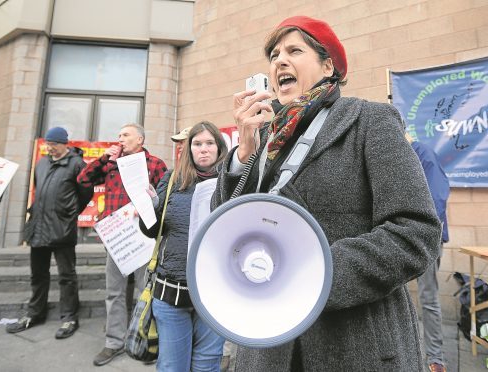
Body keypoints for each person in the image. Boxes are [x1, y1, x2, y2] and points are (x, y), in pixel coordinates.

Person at [211, 15, 442, 371]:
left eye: (294, 50)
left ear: (328, 65)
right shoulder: (265, 140)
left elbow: (416, 232)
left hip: (355, 346)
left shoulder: (369, 121)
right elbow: (222, 230)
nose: (279, 61)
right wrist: (243, 154)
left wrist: (312, 274)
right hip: (269, 350)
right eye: (273, 55)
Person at [76, 123, 167, 366]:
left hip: (143, 239)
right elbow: (83, 179)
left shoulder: (155, 164)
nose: (120, 139)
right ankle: (114, 343)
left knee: (144, 292)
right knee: (113, 292)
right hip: (116, 239)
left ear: (140, 139)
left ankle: (145, 340)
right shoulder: (111, 163)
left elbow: (165, 199)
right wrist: (104, 158)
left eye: (125, 135)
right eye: (118, 135)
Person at [140, 121, 228, 371]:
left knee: (207, 366)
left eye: (209, 143)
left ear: (219, 147)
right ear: (188, 149)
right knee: (172, 367)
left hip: (215, 292)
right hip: (171, 292)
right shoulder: (172, 180)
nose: (203, 149)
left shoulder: (232, 182)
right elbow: (151, 231)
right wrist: (150, 207)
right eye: (197, 144)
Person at [6, 127, 92, 339]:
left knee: (67, 276)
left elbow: (85, 194)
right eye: (48, 145)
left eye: (54, 145)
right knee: (38, 275)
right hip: (39, 228)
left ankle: (69, 317)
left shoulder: (76, 164)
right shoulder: (42, 162)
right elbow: (38, 188)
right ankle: (36, 313)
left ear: (65, 144)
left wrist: (68, 214)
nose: (50, 149)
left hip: (62, 229)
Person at [406, 132, 450, 372]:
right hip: (405, 236)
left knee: (428, 298)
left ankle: (436, 359)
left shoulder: (422, 153)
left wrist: (423, 235)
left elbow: (438, 197)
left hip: (427, 238)